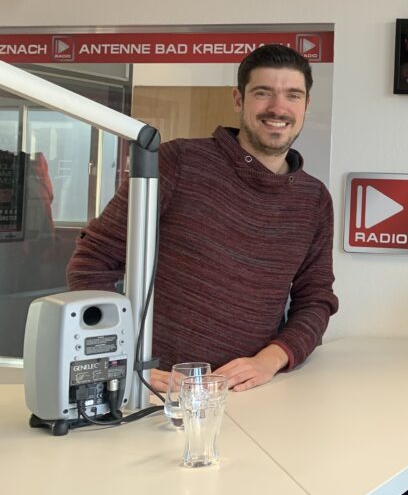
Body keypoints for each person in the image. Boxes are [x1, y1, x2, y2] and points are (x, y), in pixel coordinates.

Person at [68, 44, 338, 393]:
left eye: (293, 95)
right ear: (238, 100)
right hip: (154, 392)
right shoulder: (178, 161)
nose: (278, 108)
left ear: (306, 106)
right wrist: (121, 362)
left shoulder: (313, 199)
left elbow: (316, 301)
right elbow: (92, 262)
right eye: (263, 93)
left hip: (254, 395)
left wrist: (270, 360)